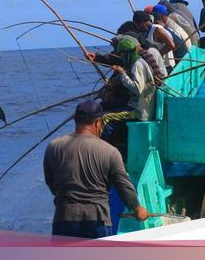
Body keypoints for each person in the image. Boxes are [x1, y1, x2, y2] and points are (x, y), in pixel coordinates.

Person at [43, 100, 149, 238]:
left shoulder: (53, 147)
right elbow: (123, 185)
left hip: (64, 216)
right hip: (97, 219)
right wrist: (137, 208)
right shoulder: (110, 151)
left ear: (75, 120)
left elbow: (51, 182)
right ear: (98, 122)